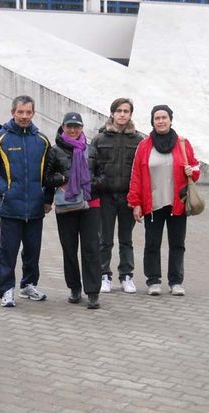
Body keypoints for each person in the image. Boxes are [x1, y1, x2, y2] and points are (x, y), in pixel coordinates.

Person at [0, 95, 51, 307]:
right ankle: (6, 290)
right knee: (8, 251)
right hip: (10, 207)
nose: (24, 116)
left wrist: (46, 198)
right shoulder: (0, 138)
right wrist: (4, 191)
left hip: (35, 209)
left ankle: (28, 285)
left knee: (32, 250)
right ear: (13, 112)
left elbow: (49, 172)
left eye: (28, 112)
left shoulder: (42, 140)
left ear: (33, 113)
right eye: (20, 112)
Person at [127, 105, 200, 297]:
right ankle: (153, 281)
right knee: (152, 244)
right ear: (152, 121)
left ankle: (176, 282)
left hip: (177, 202)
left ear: (170, 119)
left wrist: (192, 171)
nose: (160, 121)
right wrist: (135, 202)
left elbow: (195, 167)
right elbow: (136, 175)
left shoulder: (182, 143)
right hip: (153, 203)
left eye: (164, 117)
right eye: (157, 118)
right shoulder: (144, 146)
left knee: (177, 244)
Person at [44, 112, 101, 309]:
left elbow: (102, 176)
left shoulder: (91, 149)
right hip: (67, 206)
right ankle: (74, 288)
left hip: (90, 204)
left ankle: (93, 292)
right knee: (69, 248)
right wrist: (62, 181)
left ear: (82, 127)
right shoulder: (54, 150)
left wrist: (89, 185)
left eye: (77, 126)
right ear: (63, 127)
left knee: (91, 249)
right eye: (69, 126)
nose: (73, 130)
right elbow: (47, 178)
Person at [90, 98, 144, 294]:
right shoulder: (99, 139)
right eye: (119, 111)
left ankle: (126, 276)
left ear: (130, 114)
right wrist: (98, 186)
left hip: (128, 197)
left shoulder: (138, 140)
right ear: (112, 113)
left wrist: (139, 199)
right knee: (104, 239)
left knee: (126, 239)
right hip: (105, 197)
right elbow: (91, 167)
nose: (122, 114)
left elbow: (142, 171)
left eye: (126, 111)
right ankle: (104, 275)